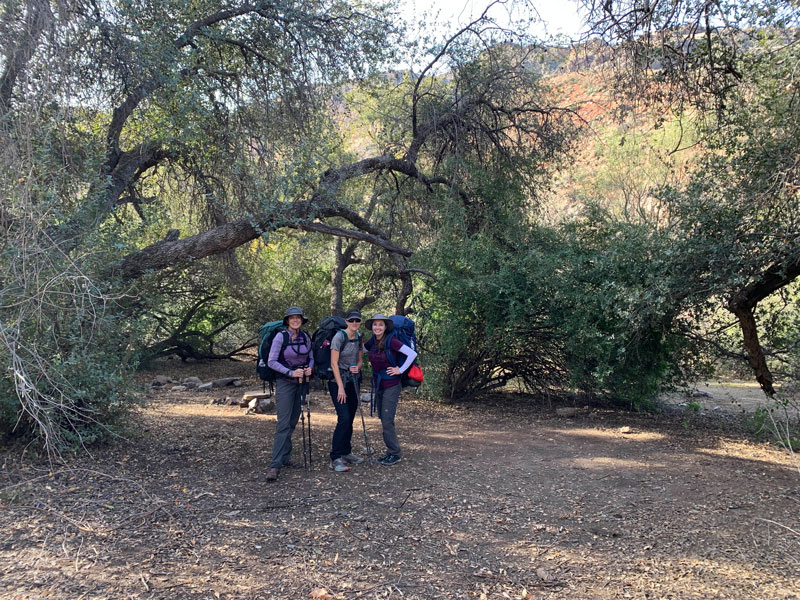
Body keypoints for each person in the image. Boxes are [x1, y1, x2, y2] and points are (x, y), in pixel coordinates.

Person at [266, 306, 313, 482]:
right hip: (285, 383)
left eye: (298, 318)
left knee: (293, 421)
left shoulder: (305, 337)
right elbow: (271, 361)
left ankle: (285, 456)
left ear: (301, 320)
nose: (295, 320)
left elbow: (311, 357)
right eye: (292, 318)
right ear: (287, 320)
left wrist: (310, 368)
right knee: (283, 423)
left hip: (301, 384)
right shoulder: (281, 337)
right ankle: (275, 464)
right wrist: (290, 372)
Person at [363, 314, 417, 466]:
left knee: (387, 420)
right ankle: (390, 452)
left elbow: (412, 354)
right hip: (379, 385)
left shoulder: (392, 341)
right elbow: (361, 349)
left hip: (392, 385)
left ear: (385, 327)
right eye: (375, 325)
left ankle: (395, 453)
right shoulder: (373, 341)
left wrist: (399, 370)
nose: (377, 327)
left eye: (380, 325)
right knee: (383, 418)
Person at [327, 309, 366, 473]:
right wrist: (340, 388)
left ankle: (346, 451)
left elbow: (360, 361)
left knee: (350, 417)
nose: (355, 323)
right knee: (343, 417)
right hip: (337, 382)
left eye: (357, 320)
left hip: (352, 381)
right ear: (346, 322)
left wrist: (357, 368)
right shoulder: (339, 337)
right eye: (352, 321)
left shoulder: (359, 337)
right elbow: (333, 363)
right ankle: (335, 457)